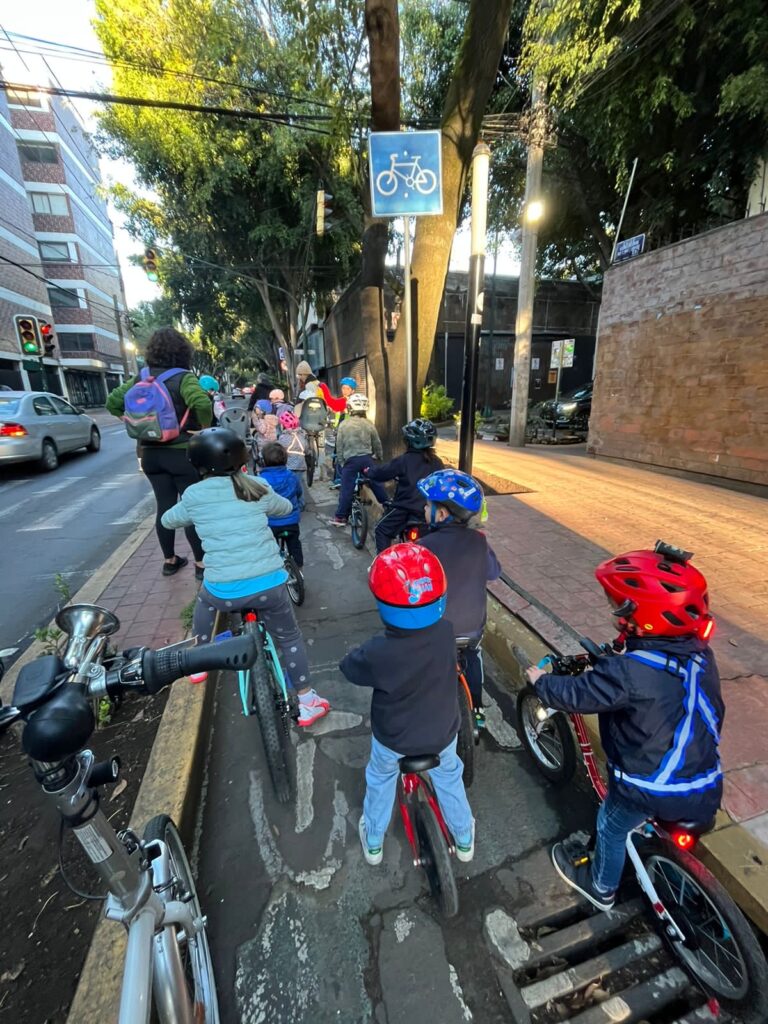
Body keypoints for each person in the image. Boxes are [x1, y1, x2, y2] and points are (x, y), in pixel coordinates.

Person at [526, 544, 722, 912]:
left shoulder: (626, 672)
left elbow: (579, 694)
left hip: (649, 789)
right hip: (704, 783)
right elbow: (655, 683)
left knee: (610, 826)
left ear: (643, 616)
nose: (616, 614)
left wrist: (542, 682)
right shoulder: (699, 655)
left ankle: (601, 888)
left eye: (620, 607)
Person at [161, 427, 329, 726]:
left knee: (204, 602)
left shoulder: (194, 495)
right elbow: (285, 508)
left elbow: (167, 520)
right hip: (269, 587)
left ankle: (199, 662)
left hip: (223, 591)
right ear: (242, 459)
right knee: (289, 637)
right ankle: (307, 701)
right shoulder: (257, 486)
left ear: (197, 465)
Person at [340, 543, 475, 865]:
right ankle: (465, 839)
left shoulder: (377, 651)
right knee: (449, 776)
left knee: (380, 778)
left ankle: (374, 841)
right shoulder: (446, 632)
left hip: (394, 739)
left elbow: (349, 669)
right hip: (443, 733)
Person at [106, 327, 212, 578]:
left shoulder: (140, 378)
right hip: (181, 453)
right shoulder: (183, 377)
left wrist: (132, 422)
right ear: (182, 351)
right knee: (191, 507)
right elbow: (202, 402)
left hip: (150, 454)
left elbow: (112, 403)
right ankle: (200, 564)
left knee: (164, 505)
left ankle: (170, 560)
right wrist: (203, 428)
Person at [417, 469, 501, 728]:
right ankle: (477, 709)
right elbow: (493, 572)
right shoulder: (479, 541)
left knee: (423, 659)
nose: (424, 508)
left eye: (428, 505)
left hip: (437, 629)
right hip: (472, 627)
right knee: (473, 658)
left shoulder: (423, 547)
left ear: (442, 514)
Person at [366, 418, 444, 553]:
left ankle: (385, 563)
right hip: (430, 511)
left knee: (381, 530)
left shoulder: (404, 461)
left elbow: (381, 473)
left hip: (404, 509)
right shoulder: (437, 462)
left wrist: (369, 471)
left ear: (408, 441)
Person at [330, 394, 387, 527]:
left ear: (350, 408)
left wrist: (342, 462)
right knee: (376, 483)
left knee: (346, 489)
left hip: (350, 461)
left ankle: (341, 517)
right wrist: (379, 456)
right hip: (367, 460)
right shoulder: (369, 424)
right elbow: (377, 443)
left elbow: (339, 446)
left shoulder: (344, 424)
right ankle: (388, 506)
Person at [259, 442, 304, 568]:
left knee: (270, 548)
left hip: (271, 523)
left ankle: (274, 567)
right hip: (291, 521)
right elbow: (299, 493)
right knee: (295, 545)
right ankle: (299, 569)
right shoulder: (292, 476)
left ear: (264, 461)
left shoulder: (261, 480)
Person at [277, 410, 308, 495]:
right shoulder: (302, 435)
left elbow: (279, 450)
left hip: (288, 466)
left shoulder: (284, 437)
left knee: (289, 487)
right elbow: (306, 449)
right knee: (299, 485)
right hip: (301, 465)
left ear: (283, 426)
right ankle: (301, 501)